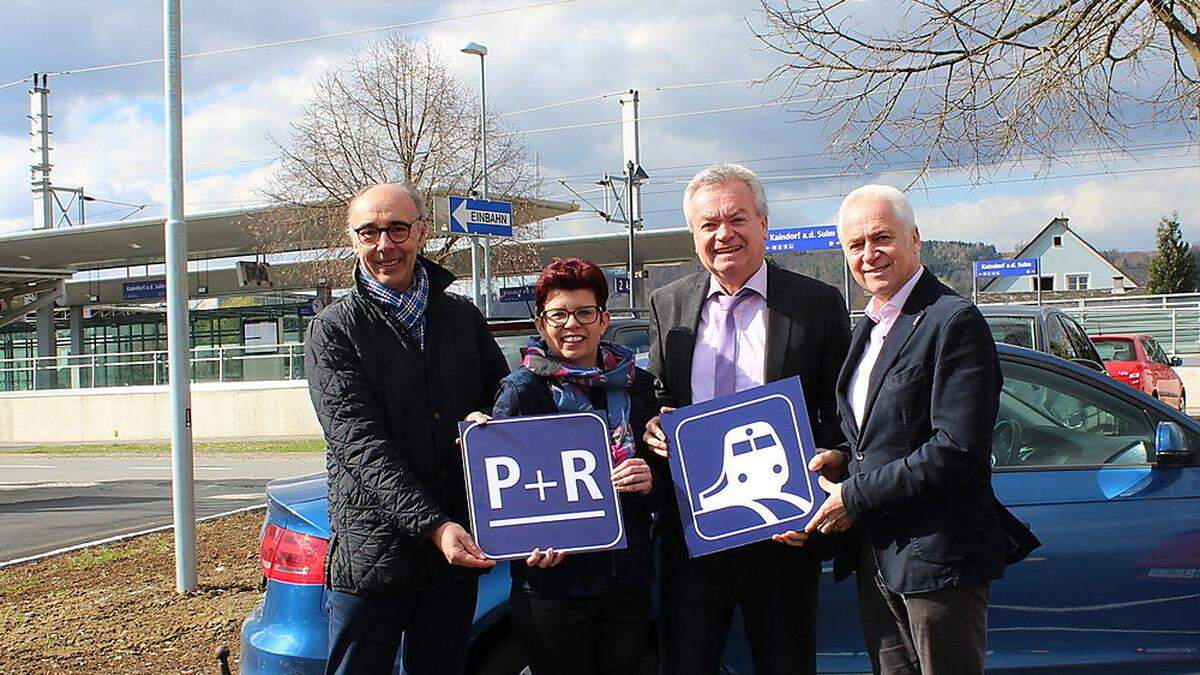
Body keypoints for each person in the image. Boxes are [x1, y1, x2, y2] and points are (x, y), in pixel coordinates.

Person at [643, 163, 851, 675]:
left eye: (737, 219)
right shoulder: (667, 303)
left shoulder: (817, 303)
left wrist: (830, 469)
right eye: (708, 225)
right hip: (695, 534)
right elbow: (659, 395)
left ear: (763, 222)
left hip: (785, 531)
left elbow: (843, 410)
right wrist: (652, 425)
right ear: (693, 236)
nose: (723, 234)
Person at [799, 184, 1009, 674]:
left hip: (938, 559)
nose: (869, 255)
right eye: (855, 245)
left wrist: (854, 496)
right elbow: (883, 437)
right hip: (878, 555)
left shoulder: (953, 320)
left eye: (882, 238)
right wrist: (843, 460)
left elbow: (956, 448)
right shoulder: (869, 328)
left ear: (915, 240)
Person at [304, 182, 509, 675]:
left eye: (397, 228)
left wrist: (495, 416)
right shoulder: (333, 329)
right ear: (352, 239)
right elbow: (359, 444)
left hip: (453, 552)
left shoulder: (461, 316)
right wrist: (433, 526)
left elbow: (503, 394)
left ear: (422, 232)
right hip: (375, 553)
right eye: (369, 232)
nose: (384, 245)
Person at [489, 257, 661, 675]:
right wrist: (524, 546)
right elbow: (501, 495)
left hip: (626, 581)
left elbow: (668, 472)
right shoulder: (521, 393)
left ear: (604, 319)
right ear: (541, 322)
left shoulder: (637, 387)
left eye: (585, 312)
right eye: (559, 314)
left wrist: (651, 478)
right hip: (553, 586)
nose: (572, 325)